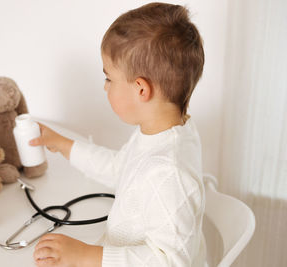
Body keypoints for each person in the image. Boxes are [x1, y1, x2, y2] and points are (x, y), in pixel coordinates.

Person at [30, 2, 206, 266]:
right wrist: (64, 145)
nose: (104, 87)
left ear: (140, 90)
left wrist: (86, 255)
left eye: (109, 78)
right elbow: (120, 168)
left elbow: (171, 261)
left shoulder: (169, 172)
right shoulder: (160, 132)